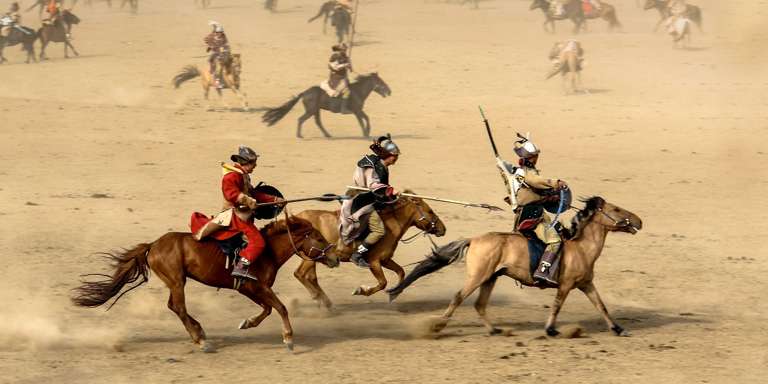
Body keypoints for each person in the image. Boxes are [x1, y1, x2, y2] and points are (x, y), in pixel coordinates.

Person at [193, 146, 284, 281]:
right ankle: (240, 267)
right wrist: (248, 201)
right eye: (253, 163)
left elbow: (253, 193)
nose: (255, 166)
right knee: (258, 243)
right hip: (235, 216)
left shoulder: (243, 175)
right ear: (245, 162)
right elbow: (232, 195)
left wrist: (274, 199)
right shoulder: (231, 176)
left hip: (243, 215)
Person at [499, 134, 568, 285]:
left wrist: (549, 197)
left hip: (532, 212)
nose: (536, 158)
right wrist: (555, 183)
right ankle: (542, 271)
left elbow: (534, 192)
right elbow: (535, 181)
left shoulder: (518, 173)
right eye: (535, 156)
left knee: (560, 229)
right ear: (530, 157)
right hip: (533, 216)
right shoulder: (526, 173)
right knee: (555, 241)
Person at [339, 135, 400, 268]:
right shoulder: (372, 165)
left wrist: (390, 194)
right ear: (388, 155)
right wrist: (390, 191)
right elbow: (372, 185)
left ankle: (367, 244)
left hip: (372, 200)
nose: (396, 159)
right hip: (362, 202)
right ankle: (357, 254)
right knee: (379, 231)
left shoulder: (384, 166)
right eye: (395, 156)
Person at [204, 21, 231, 89]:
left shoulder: (224, 38)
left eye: (220, 32)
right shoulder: (213, 36)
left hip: (221, 54)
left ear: (222, 33)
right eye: (218, 32)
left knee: (228, 62)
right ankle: (216, 82)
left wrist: (226, 49)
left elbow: (226, 45)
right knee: (213, 65)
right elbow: (207, 39)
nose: (219, 34)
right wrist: (210, 46)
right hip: (214, 53)